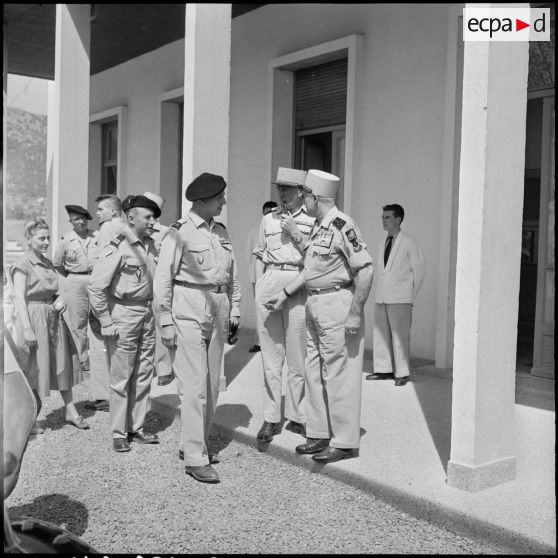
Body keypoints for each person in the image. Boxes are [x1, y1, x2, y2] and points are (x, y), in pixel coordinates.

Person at [266, 169, 374, 464]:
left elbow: (365, 269)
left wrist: (355, 313)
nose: (302, 199)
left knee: (339, 373)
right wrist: (286, 292)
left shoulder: (342, 224)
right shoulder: (318, 226)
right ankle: (319, 432)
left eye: (305, 195)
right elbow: (313, 266)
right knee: (314, 370)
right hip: (314, 303)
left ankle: (345, 441)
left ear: (315, 196)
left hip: (337, 303)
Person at [154, 172, 241, 484]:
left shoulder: (221, 230)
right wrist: (165, 321)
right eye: (220, 198)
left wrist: (236, 310)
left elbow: (232, 274)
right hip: (188, 307)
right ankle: (194, 458)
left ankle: (196, 443)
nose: (224, 202)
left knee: (213, 385)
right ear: (203, 200)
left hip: (219, 307)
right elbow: (162, 279)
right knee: (194, 385)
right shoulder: (179, 233)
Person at [88, 195, 161, 452]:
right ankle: (119, 433)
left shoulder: (152, 245)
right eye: (148, 217)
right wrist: (105, 320)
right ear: (131, 218)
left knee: (143, 374)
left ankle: (136, 427)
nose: (153, 222)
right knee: (120, 377)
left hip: (147, 314)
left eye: (155, 217)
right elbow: (96, 287)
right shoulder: (117, 246)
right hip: (123, 314)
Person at [9, 218, 89, 432]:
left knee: (62, 364)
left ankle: (71, 411)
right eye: (41, 238)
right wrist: (26, 328)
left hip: (52, 317)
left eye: (48, 238)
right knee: (33, 367)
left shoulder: (47, 263)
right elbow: (19, 298)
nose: (46, 242)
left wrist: (59, 299)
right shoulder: (22, 264)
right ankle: (28, 419)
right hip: (32, 318)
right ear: (29, 239)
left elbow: (54, 290)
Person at [253, 168, 314, 443]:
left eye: (287, 189)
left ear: (301, 191)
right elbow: (258, 253)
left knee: (297, 355)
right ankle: (270, 417)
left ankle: (297, 415)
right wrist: (259, 285)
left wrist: (294, 231)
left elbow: (314, 260)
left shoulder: (314, 220)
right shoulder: (268, 219)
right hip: (270, 279)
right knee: (270, 357)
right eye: (279, 188)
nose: (282, 194)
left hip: (298, 282)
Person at [366, 204, 425, 386]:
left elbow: (420, 271)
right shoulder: (381, 242)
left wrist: (408, 295)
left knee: (400, 336)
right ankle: (384, 370)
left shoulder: (409, 243)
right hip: (382, 296)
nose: (383, 220)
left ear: (398, 219)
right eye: (383, 217)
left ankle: (402, 373)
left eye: (387, 217)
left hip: (401, 298)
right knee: (381, 334)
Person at [84, 194, 126, 412]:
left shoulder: (109, 227)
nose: (98, 213)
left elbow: (103, 263)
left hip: (104, 291)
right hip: (117, 294)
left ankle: (104, 396)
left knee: (100, 346)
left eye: (102, 209)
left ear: (114, 211)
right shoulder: (123, 226)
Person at [53, 205, 98, 372]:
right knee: (78, 322)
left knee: (99, 317)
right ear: (70, 221)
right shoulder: (66, 240)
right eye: (76, 219)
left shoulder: (97, 236)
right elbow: (58, 264)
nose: (81, 222)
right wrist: (71, 278)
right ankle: (82, 358)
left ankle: (99, 358)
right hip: (75, 279)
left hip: (96, 279)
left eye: (83, 218)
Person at [143, 190, 174, 387]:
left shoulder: (165, 232)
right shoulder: (134, 230)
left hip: (158, 285)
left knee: (160, 325)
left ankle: (164, 369)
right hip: (139, 286)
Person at [246, 200, 278, 353]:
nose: (268, 214)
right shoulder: (254, 231)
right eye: (266, 211)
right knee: (258, 308)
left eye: (272, 211)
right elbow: (250, 255)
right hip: (258, 276)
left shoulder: (279, 229)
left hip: (275, 276)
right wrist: (254, 275)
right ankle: (259, 342)